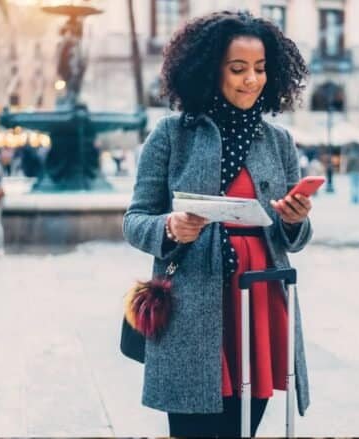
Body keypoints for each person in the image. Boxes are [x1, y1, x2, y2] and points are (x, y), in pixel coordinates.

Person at [122, 11, 313, 437]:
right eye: (238, 68)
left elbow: (292, 238)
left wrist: (295, 220)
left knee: (244, 427)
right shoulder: (172, 134)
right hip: (194, 305)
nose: (252, 80)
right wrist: (169, 228)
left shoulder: (278, 140)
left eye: (261, 69)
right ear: (210, 70)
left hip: (259, 299)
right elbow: (134, 220)